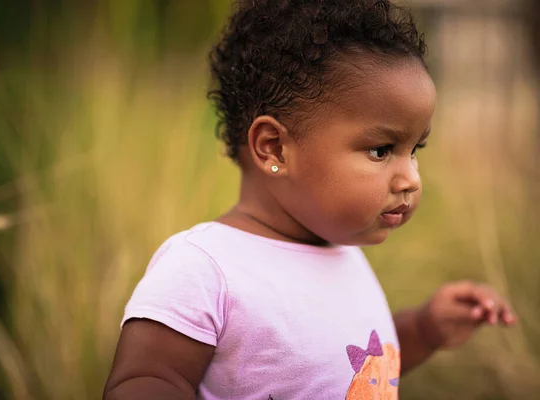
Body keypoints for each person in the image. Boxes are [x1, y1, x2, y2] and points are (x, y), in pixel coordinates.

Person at [103, 0, 517, 398]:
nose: (410, 178)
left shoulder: (343, 253)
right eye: (381, 150)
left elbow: (350, 367)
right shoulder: (206, 266)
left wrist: (424, 330)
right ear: (274, 148)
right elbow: (145, 381)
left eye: (415, 151)